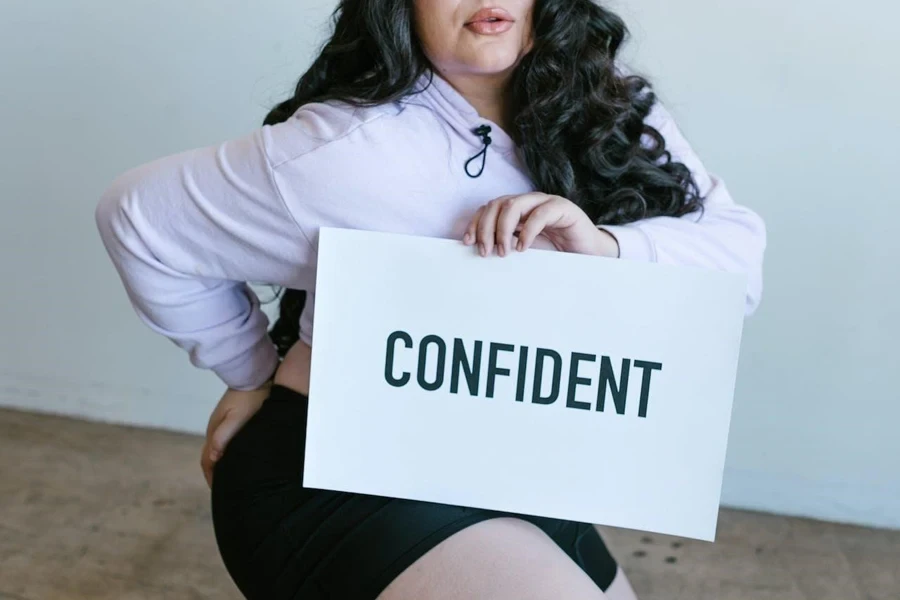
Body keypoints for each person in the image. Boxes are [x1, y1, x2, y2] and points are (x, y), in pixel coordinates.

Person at [95, 0, 766, 598]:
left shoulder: (614, 108)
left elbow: (740, 267)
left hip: (517, 466)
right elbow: (137, 217)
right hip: (339, 476)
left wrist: (603, 249)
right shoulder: (347, 147)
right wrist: (246, 372)